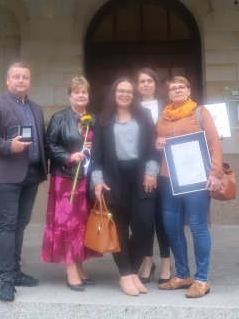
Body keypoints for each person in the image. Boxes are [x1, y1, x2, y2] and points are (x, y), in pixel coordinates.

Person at [0, 62, 47, 302]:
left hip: (32, 174)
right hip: (5, 174)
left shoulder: (36, 108)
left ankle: (15, 272)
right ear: (7, 80)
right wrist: (8, 146)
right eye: (16, 76)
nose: (21, 80)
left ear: (30, 81)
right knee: (7, 224)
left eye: (25, 77)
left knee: (20, 224)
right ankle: (6, 280)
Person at [91, 77, 160, 296]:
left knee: (144, 224)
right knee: (118, 227)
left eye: (129, 91)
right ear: (114, 93)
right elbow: (97, 155)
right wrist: (97, 181)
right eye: (120, 90)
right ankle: (126, 275)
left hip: (142, 176)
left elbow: (153, 147)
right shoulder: (102, 119)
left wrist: (151, 172)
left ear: (134, 95)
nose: (125, 94)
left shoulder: (144, 116)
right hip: (114, 178)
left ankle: (132, 271)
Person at [156, 76, 223, 298]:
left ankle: (202, 279)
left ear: (189, 90)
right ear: (168, 94)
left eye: (181, 87)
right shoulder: (163, 118)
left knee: (197, 226)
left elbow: (214, 143)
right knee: (171, 226)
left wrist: (216, 173)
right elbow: (155, 144)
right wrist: (156, 144)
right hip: (169, 179)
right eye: (173, 88)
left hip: (196, 178)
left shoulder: (200, 113)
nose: (177, 90)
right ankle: (183, 275)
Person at [41, 76, 101, 292]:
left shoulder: (94, 119)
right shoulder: (59, 118)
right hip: (66, 179)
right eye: (76, 92)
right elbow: (48, 144)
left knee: (81, 224)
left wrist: (94, 148)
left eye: (84, 92)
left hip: (87, 178)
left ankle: (79, 265)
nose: (81, 95)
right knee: (68, 224)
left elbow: (102, 147)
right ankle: (70, 268)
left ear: (88, 96)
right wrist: (69, 156)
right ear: (70, 96)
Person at [135, 68, 171, 285]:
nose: (146, 84)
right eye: (142, 81)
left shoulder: (168, 106)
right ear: (137, 86)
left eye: (149, 80)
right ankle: (147, 263)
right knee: (145, 217)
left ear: (155, 84)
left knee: (163, 217)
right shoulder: (132, 107)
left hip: (166, 168)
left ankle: (166, 263)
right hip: (141, 169)